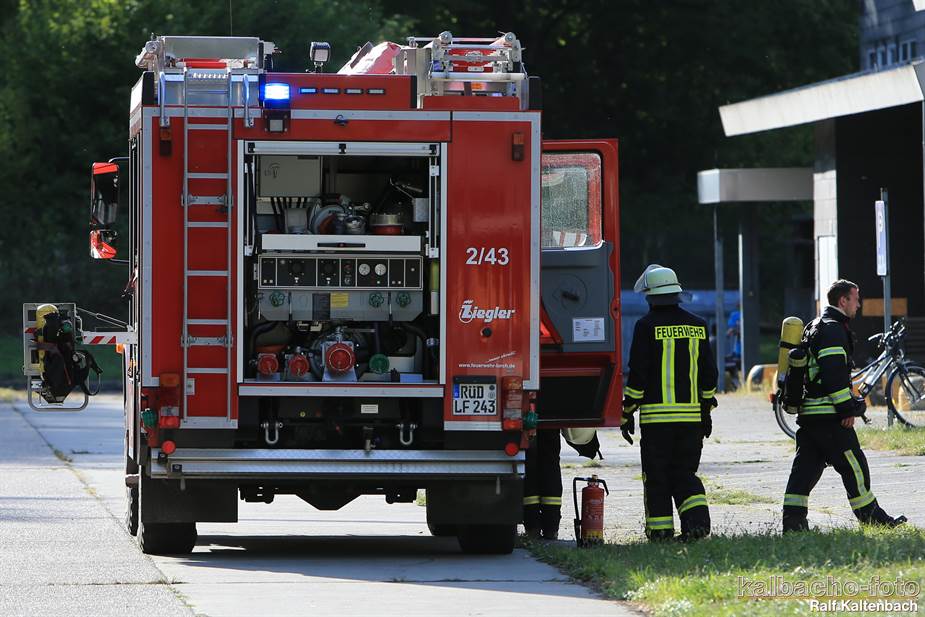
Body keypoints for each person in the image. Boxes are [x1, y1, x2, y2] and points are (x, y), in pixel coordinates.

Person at [782, 279, 907, 531]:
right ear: (843, 300)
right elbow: (834, 377)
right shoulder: (833, 330)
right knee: (854, 466)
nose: (858, 305)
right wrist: (847, 410)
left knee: (804, 471)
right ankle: (873, 519)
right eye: (855, 299)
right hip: (828, 417)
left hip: (809, 416)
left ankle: (793, 524)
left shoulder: (814, 326)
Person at [621, 265, 717, 541]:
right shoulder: (698, 325)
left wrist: (627, 411)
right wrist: (705, 409)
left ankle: (660, 532)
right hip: (691, 420)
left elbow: (638, 375)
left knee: (657, 477)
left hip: (657, 422)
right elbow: (709, 374)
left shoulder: (645, 326)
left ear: (650, 296)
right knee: (685, 474)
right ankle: (697, 526)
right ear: (676, 293)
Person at [523, 428, 601, 540]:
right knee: (550, 464)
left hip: (527, 424)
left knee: (529, 464)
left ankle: (532, 528)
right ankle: (551, 529)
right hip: (550, 423)